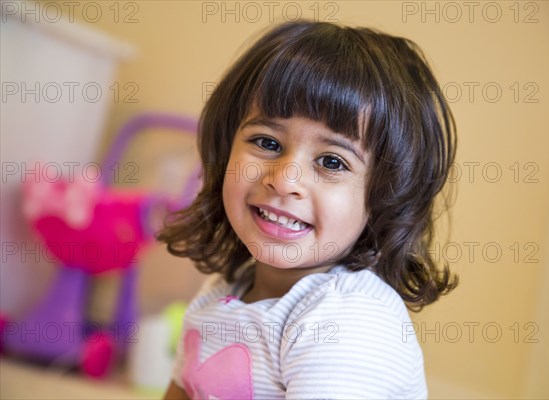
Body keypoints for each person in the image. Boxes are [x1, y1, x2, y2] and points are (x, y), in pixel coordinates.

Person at [159, 20, 457, 399]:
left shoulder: (350, 322)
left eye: (332, 162)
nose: (284, 180)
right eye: (266, 141)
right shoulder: (222, 290)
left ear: (383, 197)